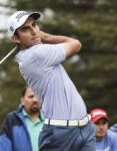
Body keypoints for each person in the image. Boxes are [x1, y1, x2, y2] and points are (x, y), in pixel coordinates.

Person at [7, 10, 96, 151]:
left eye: (34, 25)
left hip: (85, 128)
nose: (34, 31)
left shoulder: (36, 52)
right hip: (60, 134)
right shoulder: (35, 55)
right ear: (16, 39)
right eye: (25, 29)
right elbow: (76, 44)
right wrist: (46, 37)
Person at [0, 86, 44, 151]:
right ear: (22, 100)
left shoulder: (50, 120)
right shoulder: (11, 120)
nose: (35, 100)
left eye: (37, 96)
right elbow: (3, 145)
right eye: (31, 96)